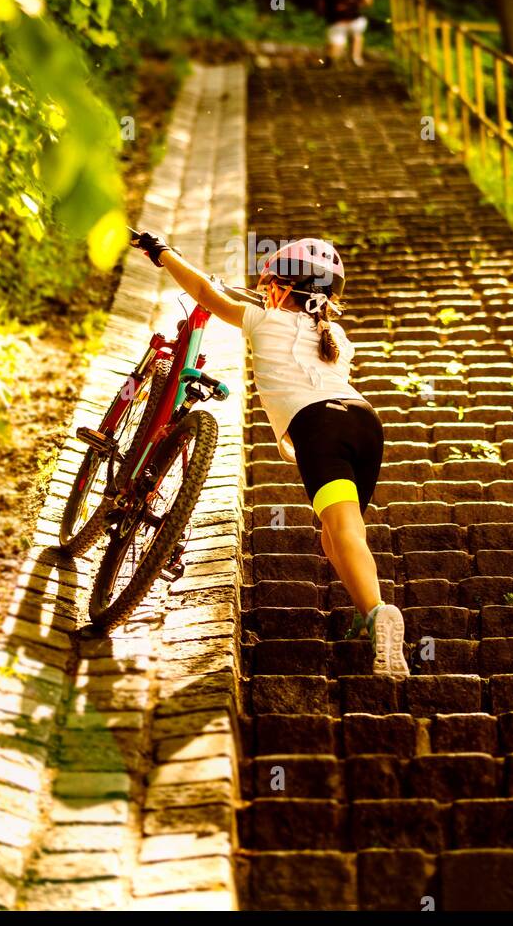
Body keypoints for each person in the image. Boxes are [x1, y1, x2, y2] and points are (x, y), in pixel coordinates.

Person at [134, 230, 410, 677]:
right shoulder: (335, 334)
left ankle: (381, 613)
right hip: (364, 425)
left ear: (282, 289)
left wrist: (163, 253)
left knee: (341, 530)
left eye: (268, 286)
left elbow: (205, 291)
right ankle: (366, 612)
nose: (262, 294)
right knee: (337, 532)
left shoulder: (261, 320)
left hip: (319, 427)